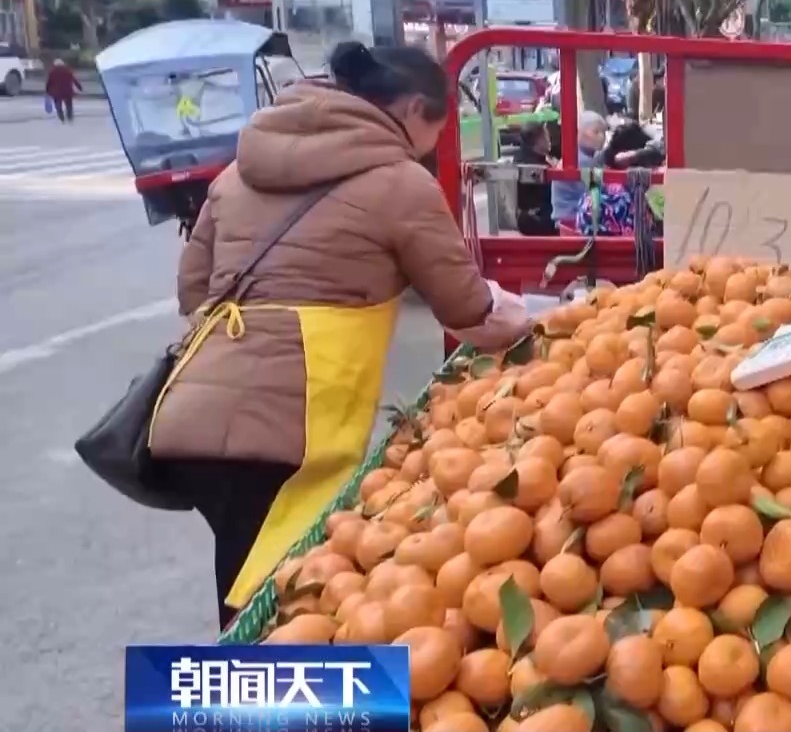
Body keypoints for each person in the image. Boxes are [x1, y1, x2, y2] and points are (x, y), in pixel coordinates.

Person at [152, 41, 534, 628]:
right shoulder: (400, 183)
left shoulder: (236, 173)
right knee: (282, 598)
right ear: (413, 110)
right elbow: (466, 308)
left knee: (249, 581)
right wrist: (530, 321)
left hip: (193, 410)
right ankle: (256, 684)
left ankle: (246, 670)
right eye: (438, 129)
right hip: (288, 427)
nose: (433, 146)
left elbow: (192, 290)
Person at [549, 111, 608, 225]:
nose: (602, 137)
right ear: (579, 132)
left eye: (604, 132)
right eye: (596, 132)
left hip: (567, 217)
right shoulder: (581, 160)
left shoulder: (577, 155)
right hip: (573, 219)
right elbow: (597, 195)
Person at [512, 124, 558, 236]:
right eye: (546, 136)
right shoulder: (537, 166)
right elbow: (552, 192)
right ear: (539, 140)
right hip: (539, 217)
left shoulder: (520, 157)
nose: (549, 140)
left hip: (524, 216)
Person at [43, 56, 77, 123]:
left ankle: (61, 117)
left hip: (57, 92)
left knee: (58, 105)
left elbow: (49, 82)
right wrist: (79, 87)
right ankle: (69, 116)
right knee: (69, 104)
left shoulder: (52, 72)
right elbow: (74, 80)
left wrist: (47, 90)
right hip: (67, 91)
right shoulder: (67, 70)